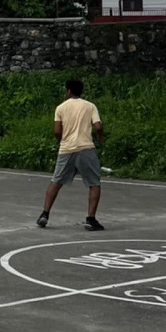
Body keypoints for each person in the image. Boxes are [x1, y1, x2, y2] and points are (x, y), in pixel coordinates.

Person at [37, 80, 105, 231]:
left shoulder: (61, 107)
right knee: (94, 183)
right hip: (86, 148)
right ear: (81, 91)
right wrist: (100, 137)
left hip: (66, 149)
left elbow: (56, 130)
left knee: (56, 181)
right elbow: (98, 126)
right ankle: (90, 218)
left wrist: (61, 141)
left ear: (68, 91)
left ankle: (45, 214)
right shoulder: (90, 106)